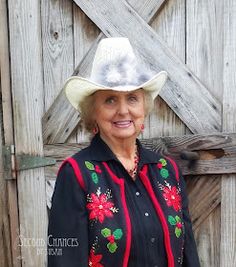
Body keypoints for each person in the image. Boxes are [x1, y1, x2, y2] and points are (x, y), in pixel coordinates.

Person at [47, 37, 200, 267]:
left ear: (143, 109)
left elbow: (188, 253)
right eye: (110, 100)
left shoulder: (167, 171)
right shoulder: (77, 175)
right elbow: (64, 261)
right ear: (93, 112)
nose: (123, 110)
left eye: (132, 98)